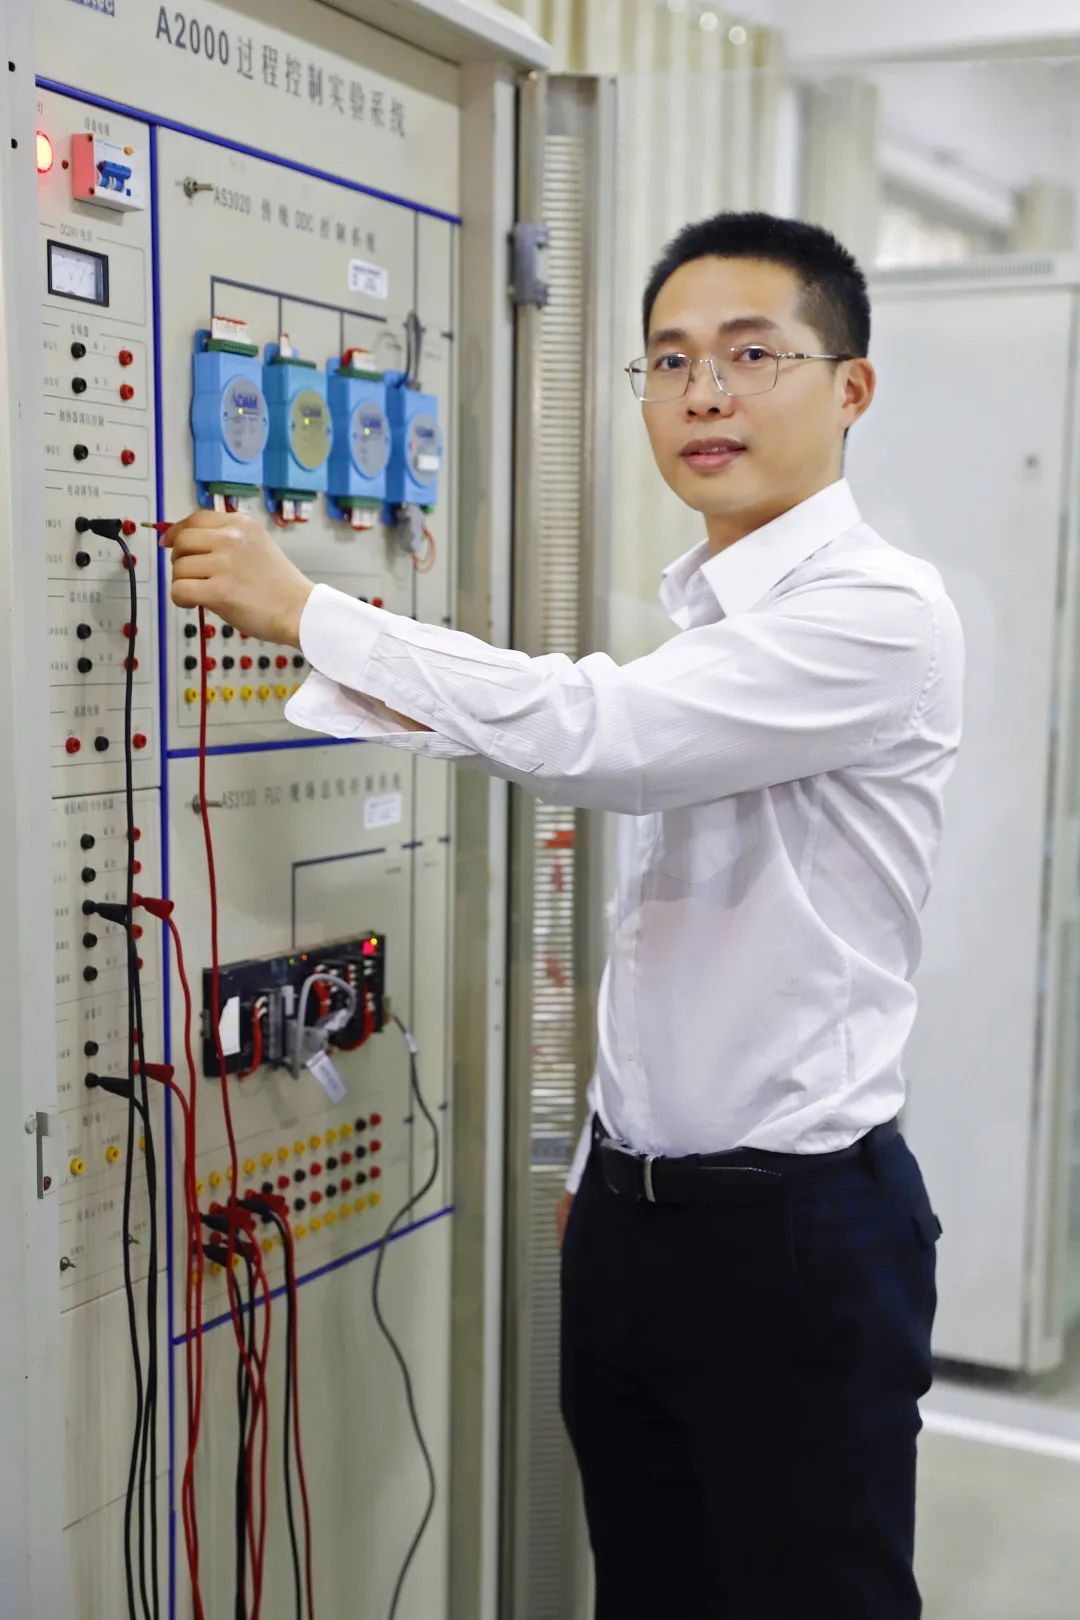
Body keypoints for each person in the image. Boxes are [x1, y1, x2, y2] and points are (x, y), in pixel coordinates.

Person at [165, 210, 963, 1620]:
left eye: (752, 354)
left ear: (852, 388)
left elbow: (597, 734)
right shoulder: (714, 620)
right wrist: (612, 1165)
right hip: (641, 1221)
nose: (703, 393)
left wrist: (311, 612)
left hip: (795, 1238)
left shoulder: (880, 613)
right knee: (649, 1590)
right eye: (670, 360)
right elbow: (671, 924)